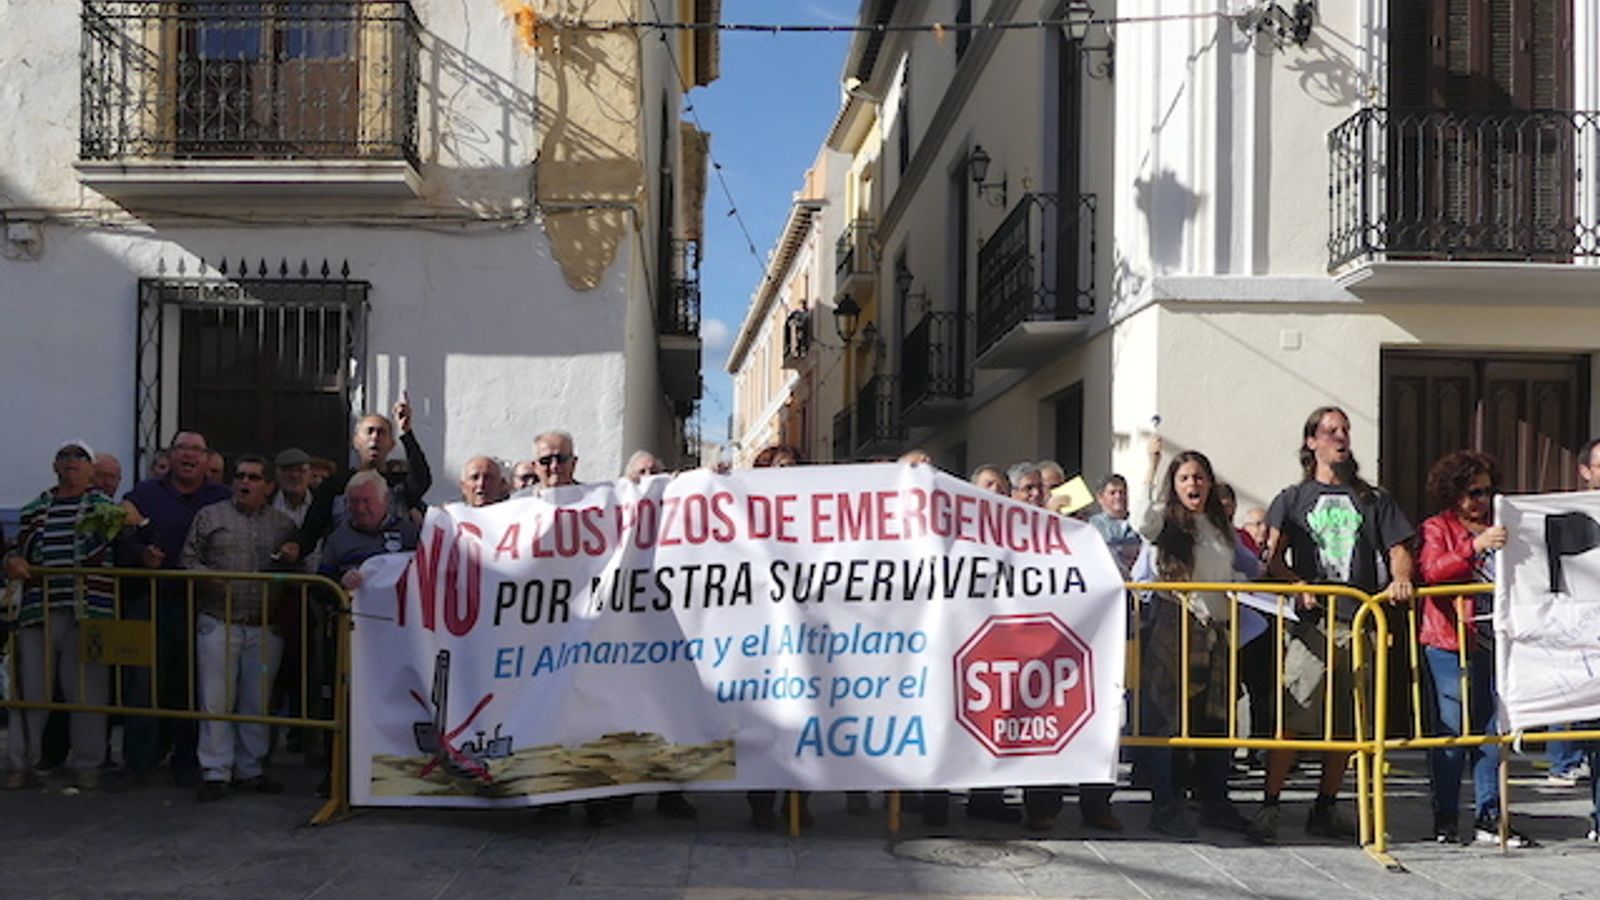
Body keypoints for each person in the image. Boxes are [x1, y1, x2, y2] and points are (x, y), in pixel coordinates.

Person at [1258, 406, 1415, 843]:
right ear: (1312, 442)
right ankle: (1269, 805)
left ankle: (1325, 807)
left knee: (1349, 722)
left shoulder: (1372, 498)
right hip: (1313, 625)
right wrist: (1296, 582)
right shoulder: (1292, 499)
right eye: (1331, 431)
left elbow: (1399, 546)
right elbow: (1271, 560)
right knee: (1295, 712)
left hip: (1358, 619)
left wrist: (1401, 577)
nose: (1341, 437)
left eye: (1345, 430)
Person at [1132, 449, 1258, 837]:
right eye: (1185, 478)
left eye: (1199, 477)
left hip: (1216, 631)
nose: (1193, 485)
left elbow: (1227, 573)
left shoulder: (1220, 527)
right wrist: (1151, 468)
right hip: (1175, 624)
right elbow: (1141, 519)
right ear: (1174, 485)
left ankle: (1215, 802)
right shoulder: (1165, 524)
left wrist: (1246, 589)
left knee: (1215, 720)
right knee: (1167, 720)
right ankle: (1165, 805)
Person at [1417, 450, 1534, 846]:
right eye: (1472, 492)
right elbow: (1431, 572)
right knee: (1451, 733)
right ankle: (1445, 818)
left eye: (1486, 491)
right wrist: (1475, 546)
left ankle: (1489, 815)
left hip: (1496, 643)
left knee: (1491, 731)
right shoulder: (1437, 527)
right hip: (1450, 642)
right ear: (1453, 494)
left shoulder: (1504, 527)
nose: (1481, 500)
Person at [181, 454, 299, 801]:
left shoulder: (282, 525)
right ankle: (216, 771)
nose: (245, 482)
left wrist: (294, 556)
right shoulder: (210, 516)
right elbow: (187, 559)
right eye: (240, 475)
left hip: (264, 626)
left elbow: (305, 561)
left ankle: (250, 769)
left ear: (268, 486)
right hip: (218, 621)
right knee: (215, 699)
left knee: (256, 701)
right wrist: (210, 578)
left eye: (254, 477)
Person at [1010, 460, 1119, 834]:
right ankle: (1042, 808)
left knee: (1094, 717)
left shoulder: (1081, 529)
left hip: (1083, 640)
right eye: (1028, 489)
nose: (1038, 494)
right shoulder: (1007, 532)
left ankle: (1097, 804)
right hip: (1034, 646)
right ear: (1013, 496)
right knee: (1043, 727)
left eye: (1042, 488)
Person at [3, 441, 117, 790]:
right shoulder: (36, 508)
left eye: (79, 457)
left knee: (87, 691)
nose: (71, 463)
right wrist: (11, 562)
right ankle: (22, 763)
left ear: (91, 469)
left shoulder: (104, 507)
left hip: (87, 610)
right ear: (55, 466)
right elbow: (15, 549)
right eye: (65, 457)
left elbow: (118, 538)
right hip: (40, 609)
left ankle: (87, 764)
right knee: (30, 689)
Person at [120, 431, 233, 786]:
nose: (189, 456)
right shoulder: (144, 494)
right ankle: (138, 763)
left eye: (197, 450)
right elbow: (121, 536)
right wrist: (140, 555)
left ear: (206, 459)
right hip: (150, 599)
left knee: (190, 684)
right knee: (142, 684)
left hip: (200, 603)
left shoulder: (221, 497)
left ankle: (186, 761)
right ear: (169, 455)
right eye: (182, 448)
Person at [284, 395, 431, 562]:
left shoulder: (401, 484)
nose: (375, 437)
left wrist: (407, 432)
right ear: (355, 442)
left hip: (392, 573)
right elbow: (312, 530)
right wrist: (295, 548)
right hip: (346, 572)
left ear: (391, 444)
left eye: (381, 433)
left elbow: (422, 479)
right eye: (369, 431)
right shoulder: (334, 485)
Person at [1548, 438, 1600, 787]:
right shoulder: (1568, 514)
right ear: (1584, 471)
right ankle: (1564, 759)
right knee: (1566, 687)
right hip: (1574, 618)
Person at [1088, 474, 1140, 578]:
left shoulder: (1139, 522)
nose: (1118, 496)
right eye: (1112, 493)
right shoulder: (1091, 526)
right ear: (1100, 498)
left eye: (1122, 492)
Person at [271, 448, 315, 526]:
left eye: (301, 470)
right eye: (287, 470)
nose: (294, 476)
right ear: (277, 476)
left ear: (310, 475)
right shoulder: (266, 502)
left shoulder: (322, 503)